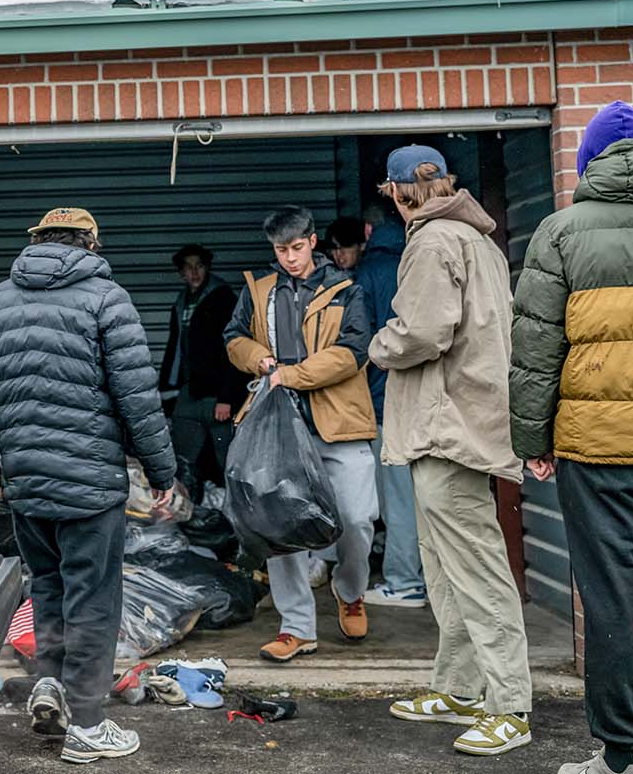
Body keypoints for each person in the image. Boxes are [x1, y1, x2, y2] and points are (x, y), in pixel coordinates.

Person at [0, 207, 174, 764]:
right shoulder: (107, 299)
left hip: (26, 485)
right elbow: (139, 400)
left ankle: (49, 683)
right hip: (91, 487)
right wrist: (163, 472)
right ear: (90, 246)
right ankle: (89, 723)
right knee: (94, 601)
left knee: (48, 588)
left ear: (38, 244)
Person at [510, 102, 633, 774]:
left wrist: (534, 441)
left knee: (608, 603)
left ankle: (617, 757)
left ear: (587, 164)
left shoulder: (559, 232)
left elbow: (535, 352)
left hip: (596, 453)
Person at [369, 145, 533, 757]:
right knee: (445, 566)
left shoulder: (434, 240)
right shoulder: (474, 238)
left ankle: (509, 705)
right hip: (463, 421)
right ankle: (460, 688)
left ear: (400, 189)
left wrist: (378, 346)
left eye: (391, 190)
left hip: (448, 426)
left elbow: (423, 332)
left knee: (477, 568)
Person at [223, 206, 378, 663]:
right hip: (276, 425)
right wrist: (260, 361)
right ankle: (296, 627)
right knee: (278, 524)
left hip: (340, 422)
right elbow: (234, 337)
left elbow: (354, 352)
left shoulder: (346, 288)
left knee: (356, 518)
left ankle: (350, 591)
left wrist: (291, 375)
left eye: (295, 247)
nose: (289, 258)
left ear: (312, 241)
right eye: (280, 250)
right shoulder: (259, 289)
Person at [355, 202, 426, 609]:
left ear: (367, 231)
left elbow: (361, 344)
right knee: (426, 495)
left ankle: (403, 581)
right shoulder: (417, 262)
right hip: (427, 400)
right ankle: (430, 580)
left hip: (385, 402)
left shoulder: (367, 274)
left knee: (397, 497)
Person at [158, 244, 248, 503]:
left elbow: (233, 351)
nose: (194, 272)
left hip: (217, 396)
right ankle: (192, 514)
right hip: (191, 391)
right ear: (181, 273)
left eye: (199, 265)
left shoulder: (222, 299)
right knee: (184, 458)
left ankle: (236, 519)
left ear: (207, 267)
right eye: (188, 267)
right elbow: (175, 349)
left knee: (227, 461)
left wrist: (227, 397)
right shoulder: (182, 302)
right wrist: (167, 392)